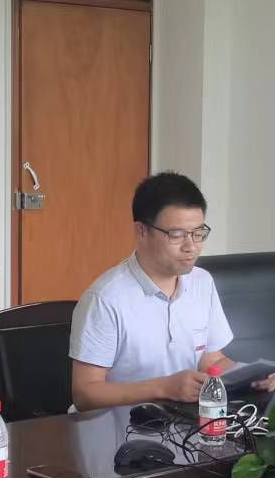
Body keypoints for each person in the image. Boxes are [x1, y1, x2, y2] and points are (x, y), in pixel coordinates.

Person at [70, 171, 239, 411]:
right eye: (177, 235)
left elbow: (211, 360)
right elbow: (85, 393)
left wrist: (252, 376)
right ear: (141, 231)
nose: (191, 246)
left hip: (183, 421)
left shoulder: (202, 282)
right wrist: (163, 388)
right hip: (119, 426)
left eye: (198, 233)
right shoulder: (105, 298)